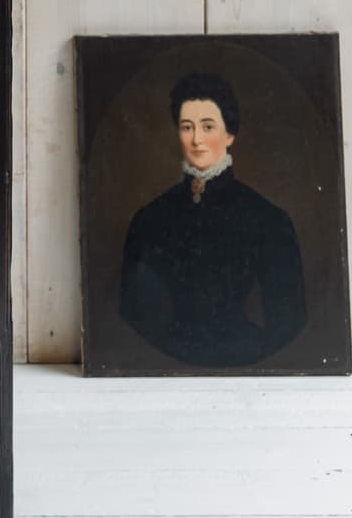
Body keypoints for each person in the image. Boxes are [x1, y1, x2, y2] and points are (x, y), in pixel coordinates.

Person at [118, 71, 306, 366]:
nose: (196, 140)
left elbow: (287, 323)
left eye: (208, 127)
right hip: (165, 362)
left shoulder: (268, 219)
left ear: (229, 134)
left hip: (246, 360)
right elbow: (133, 316)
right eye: (186, 127)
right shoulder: (150, 218)